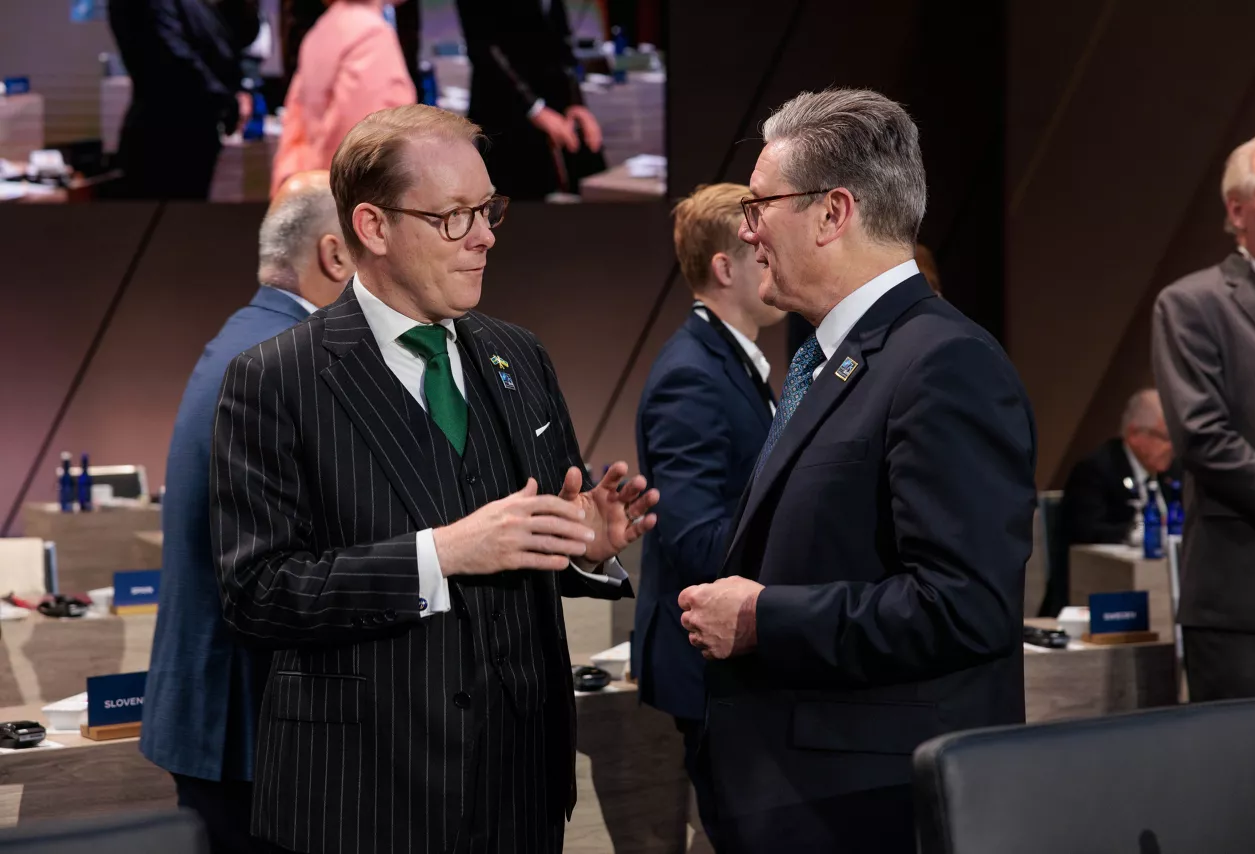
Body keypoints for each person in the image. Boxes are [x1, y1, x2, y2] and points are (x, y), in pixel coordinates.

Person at [211, 104, 658, 854]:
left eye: (488, 210)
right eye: (453, 216)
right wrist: (439, 555)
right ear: (374, 228)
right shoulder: (273, 380)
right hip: (365, 800)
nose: (484, 235)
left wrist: (585, 546)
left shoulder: (520, 356)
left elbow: (538, 539)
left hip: (521, 792)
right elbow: (256, 594)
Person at [676, 88, 1037, 854]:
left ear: (832, 212)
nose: (747, 229)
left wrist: (761, 618)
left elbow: (964, 605)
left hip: (863, 808)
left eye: (759, 203)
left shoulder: (945, 363)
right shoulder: (837, 357)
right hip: (798, 795)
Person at [140, 171, 354, 854]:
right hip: (251, 724)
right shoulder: (284, 362)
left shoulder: (247, 337)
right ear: (335, 255)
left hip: (228, 714)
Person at [633, 182, 784, 850]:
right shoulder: (692, 374)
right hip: (711, 667)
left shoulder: (732, 361)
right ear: (725, 268)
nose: (772, 259)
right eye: (758, 249)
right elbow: (694, 536)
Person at [1152, 132, 1255, 703]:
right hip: (1246, 607)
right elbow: (1204, 438)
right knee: (1248, 788)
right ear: (1237, 210)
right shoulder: (1192, 304)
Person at [108, 0, 260, 199]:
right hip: (162, 142)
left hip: (199, 137)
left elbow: (231, 39)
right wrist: (227, 100)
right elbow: (173, 64)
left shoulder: (195, 6)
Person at [455, 0, 606, 200]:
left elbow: (562, 41)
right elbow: (484, 48)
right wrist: (535, 109)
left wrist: (576, 104)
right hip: (504, 112)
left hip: (557, 109)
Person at [1048, 389, 1180, 615]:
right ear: (1134, 434)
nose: (1173, 447)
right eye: (1165, 437)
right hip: (1095, 597)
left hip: (1163, 590)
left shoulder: (1174, 473)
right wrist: (1137, 532)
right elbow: (1085, 531)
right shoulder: (1096, 470)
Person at [271, 0, 417, 195]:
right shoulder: (370, 34)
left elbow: (295, 125)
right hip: (349, 200)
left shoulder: (322, 29)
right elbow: (360, 140)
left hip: (319, 190)